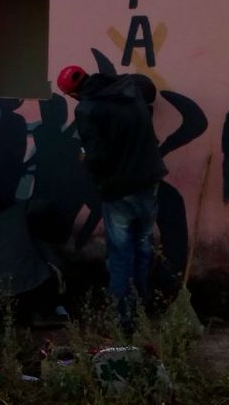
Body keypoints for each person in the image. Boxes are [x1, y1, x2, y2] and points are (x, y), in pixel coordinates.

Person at [57, 65, 166, 333]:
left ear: (72, 94)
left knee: (120, 254)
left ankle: (122, 318)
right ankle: (141, 308)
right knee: (143, 246)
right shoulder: (128, 88)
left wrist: (85, 158)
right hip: (149, 181)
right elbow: (147, 89)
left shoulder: (87, 109)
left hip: (118, 190)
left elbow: (97, 156)